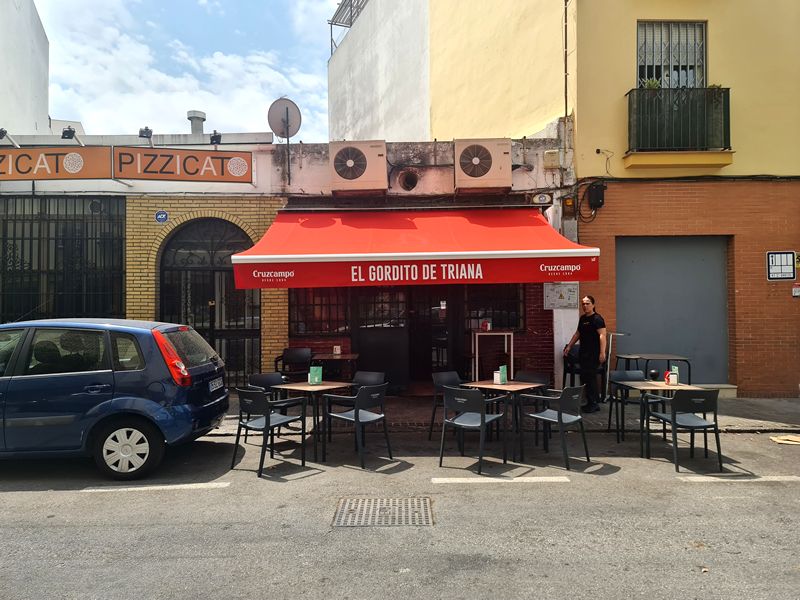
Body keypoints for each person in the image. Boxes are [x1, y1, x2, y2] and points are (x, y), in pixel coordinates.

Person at [564, 295, 607, 413]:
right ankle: (590, 401)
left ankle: (594, 403)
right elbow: (577, 334)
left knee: (591, 377)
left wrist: (602, 352)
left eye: (587, 303)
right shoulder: (583, 319)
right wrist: (569, 346)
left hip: (594, 354)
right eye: (583, 304)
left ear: (593, 305)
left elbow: (602, 336)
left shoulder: (598, 319)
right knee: (584, 377)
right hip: (583, 353)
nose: (585, 306)